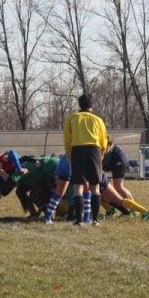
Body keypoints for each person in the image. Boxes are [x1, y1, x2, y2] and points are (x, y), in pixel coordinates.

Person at [63, 94, 108, 226]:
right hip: (94, 151)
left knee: (78, 187)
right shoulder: (98, 120)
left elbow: (67, 138)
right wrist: (102, 154)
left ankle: (78, 221)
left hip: (77, 151)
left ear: (79, 105)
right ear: (91, 106)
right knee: (95, 188)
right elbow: (103, 140)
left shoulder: (72, 118)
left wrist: (69, 154)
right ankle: (95, 220)